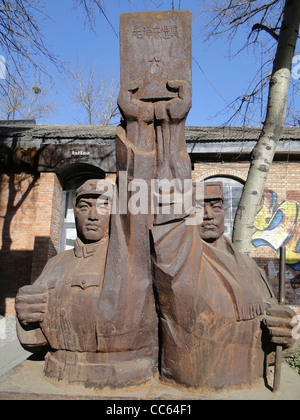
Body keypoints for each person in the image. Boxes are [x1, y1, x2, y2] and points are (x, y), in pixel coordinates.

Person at [145, 80, 298, 392]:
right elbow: (167, 196)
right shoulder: (180, 259)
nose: (207, 213)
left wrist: (286, 335)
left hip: (251, 385)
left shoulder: (249, 267)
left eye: (215, 205)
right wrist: (172, 126)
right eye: (198, 206)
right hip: (197, 388)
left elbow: (275, 338)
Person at [15, 179, 158, 389]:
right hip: (56, 376)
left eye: (103, 206)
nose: (93, 216)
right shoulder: (55, 264)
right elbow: (36, 342)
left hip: (114, 380)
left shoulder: (132, 262)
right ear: (74, 211)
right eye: (84, 207)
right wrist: (26, 318)